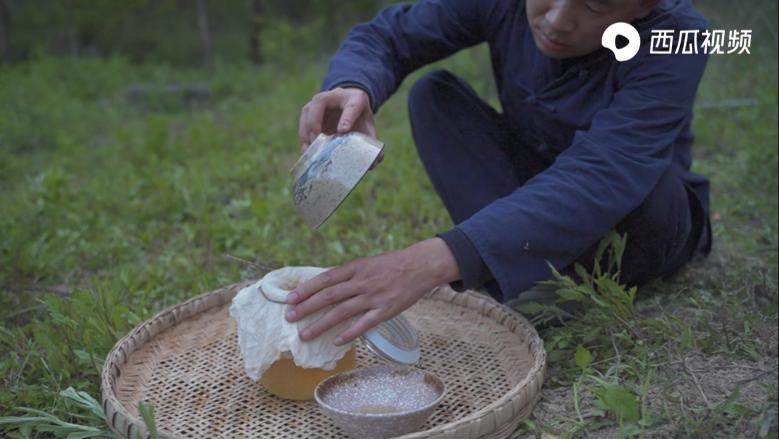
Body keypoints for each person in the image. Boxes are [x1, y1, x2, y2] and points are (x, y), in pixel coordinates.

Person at [285, 0, 711, 346]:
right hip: (533, 184)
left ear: (643, 6)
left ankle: (536, 272)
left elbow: (605, 172)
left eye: (596, 5)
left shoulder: (676, 36)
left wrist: (429, 261)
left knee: (650, 190)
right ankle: (530, 274)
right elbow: (391, 34)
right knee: (434, 97)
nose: (557, 19)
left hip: (637, 222)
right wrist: (354, 82)